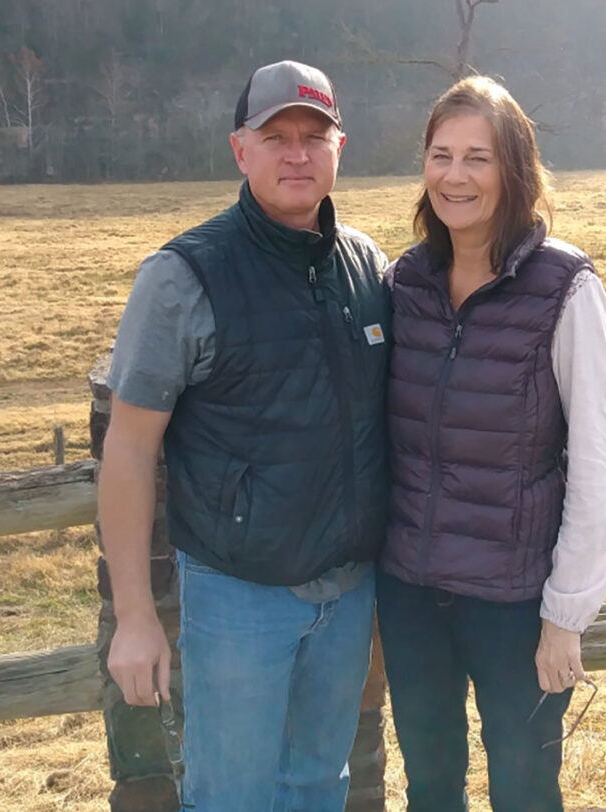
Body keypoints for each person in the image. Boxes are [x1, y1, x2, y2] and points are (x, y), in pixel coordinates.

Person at [98, 60, 391, 812]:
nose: (297, 153)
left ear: (339, 148)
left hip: (349, 594)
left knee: (320, 785)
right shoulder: (182, 277)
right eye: (276, 137)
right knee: (230, 796)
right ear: (240, 150)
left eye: (314, 137)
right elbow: (129, 452)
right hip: (238, 598)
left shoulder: (367, 268)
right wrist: (135, 616)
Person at [376, 75, 606, 812]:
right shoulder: (404, 283)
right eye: (441, 155)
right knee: (429, 786)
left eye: (478, 158)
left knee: (523, 786)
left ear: (515, 169)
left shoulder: (565, 288)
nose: (456, 176)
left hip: (515, 600)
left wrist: (565, 615)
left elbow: (596, 463)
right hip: (412, 592)